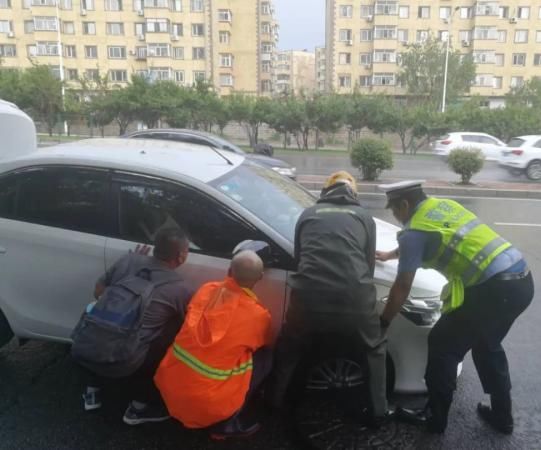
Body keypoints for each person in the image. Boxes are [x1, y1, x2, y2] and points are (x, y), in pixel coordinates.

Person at [377, 180, 534, 434]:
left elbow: (402, 285)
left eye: (395, 211)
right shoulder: (444, 206)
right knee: (487, 344)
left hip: (493, 291)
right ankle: (502, 415)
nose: (395, 217)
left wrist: (383, 321)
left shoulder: (414, 231)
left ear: (404, 205)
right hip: (522, 281)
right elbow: (426, 240)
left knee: (443, 345)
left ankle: (434, 418)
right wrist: (391, 255)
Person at [269, 171, 393, 427]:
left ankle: (275, 402)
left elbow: (299, 259)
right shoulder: (363, 217)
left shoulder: (307, 215)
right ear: (354, 194)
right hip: (355, 299)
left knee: (290, 346)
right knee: (374, 349)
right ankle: (379, 412)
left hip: (307, 299)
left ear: (325, 192)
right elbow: (368, 266)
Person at [78, 228, 192, 425]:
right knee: (170, 330)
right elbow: (190, 325)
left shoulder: (128, 260)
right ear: (181, 257)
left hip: (86, 348)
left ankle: (91, 393)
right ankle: (138, 408)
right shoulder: (179, 289)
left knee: (106, 323)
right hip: (125, 362)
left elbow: (98, 292)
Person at [154, 250, 272, 440]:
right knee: (265, 356)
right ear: (261, 277)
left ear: (228, 271)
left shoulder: (206, 289)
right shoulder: (258, 316)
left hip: (168, 386)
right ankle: (224, 424)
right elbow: (262, 342)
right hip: (208, 406)